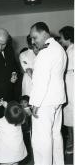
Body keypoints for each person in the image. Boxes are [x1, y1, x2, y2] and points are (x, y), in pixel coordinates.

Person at [29, 22, 67, 165]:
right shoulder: (59, 48)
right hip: (57, 100)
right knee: (55, 135)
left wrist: (35, 103)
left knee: (41, 141)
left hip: (44, 101)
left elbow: (40, 81)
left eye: (34, 37)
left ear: (44, 33)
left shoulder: (45, 53)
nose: (33, 41)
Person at [0, 101, 27, 165]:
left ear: (6, 113)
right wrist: (6, 105)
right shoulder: (19, 121)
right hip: (17, 153)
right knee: (15, 163)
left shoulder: (1, 122)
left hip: (5, 155)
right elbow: (14, 112)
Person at [59, 26, 74, 154]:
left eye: (62, 38)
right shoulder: (68, 50)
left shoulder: (73, 50)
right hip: (68, 84)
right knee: (69, 114)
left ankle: (72, 143)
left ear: (68, 37)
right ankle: (71, 141)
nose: (61, 41)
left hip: (72, 85)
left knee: (72, 114)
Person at [19, 95, 32, 162]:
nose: (23, 104)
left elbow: (31, 117)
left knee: (27, 145)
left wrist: (28, 112)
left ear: (28, 103)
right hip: (20, 131)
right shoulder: (19, 110)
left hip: (26, 131)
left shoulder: (30, 110)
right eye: (22, 102)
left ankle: (28, 158)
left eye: (25, 102)